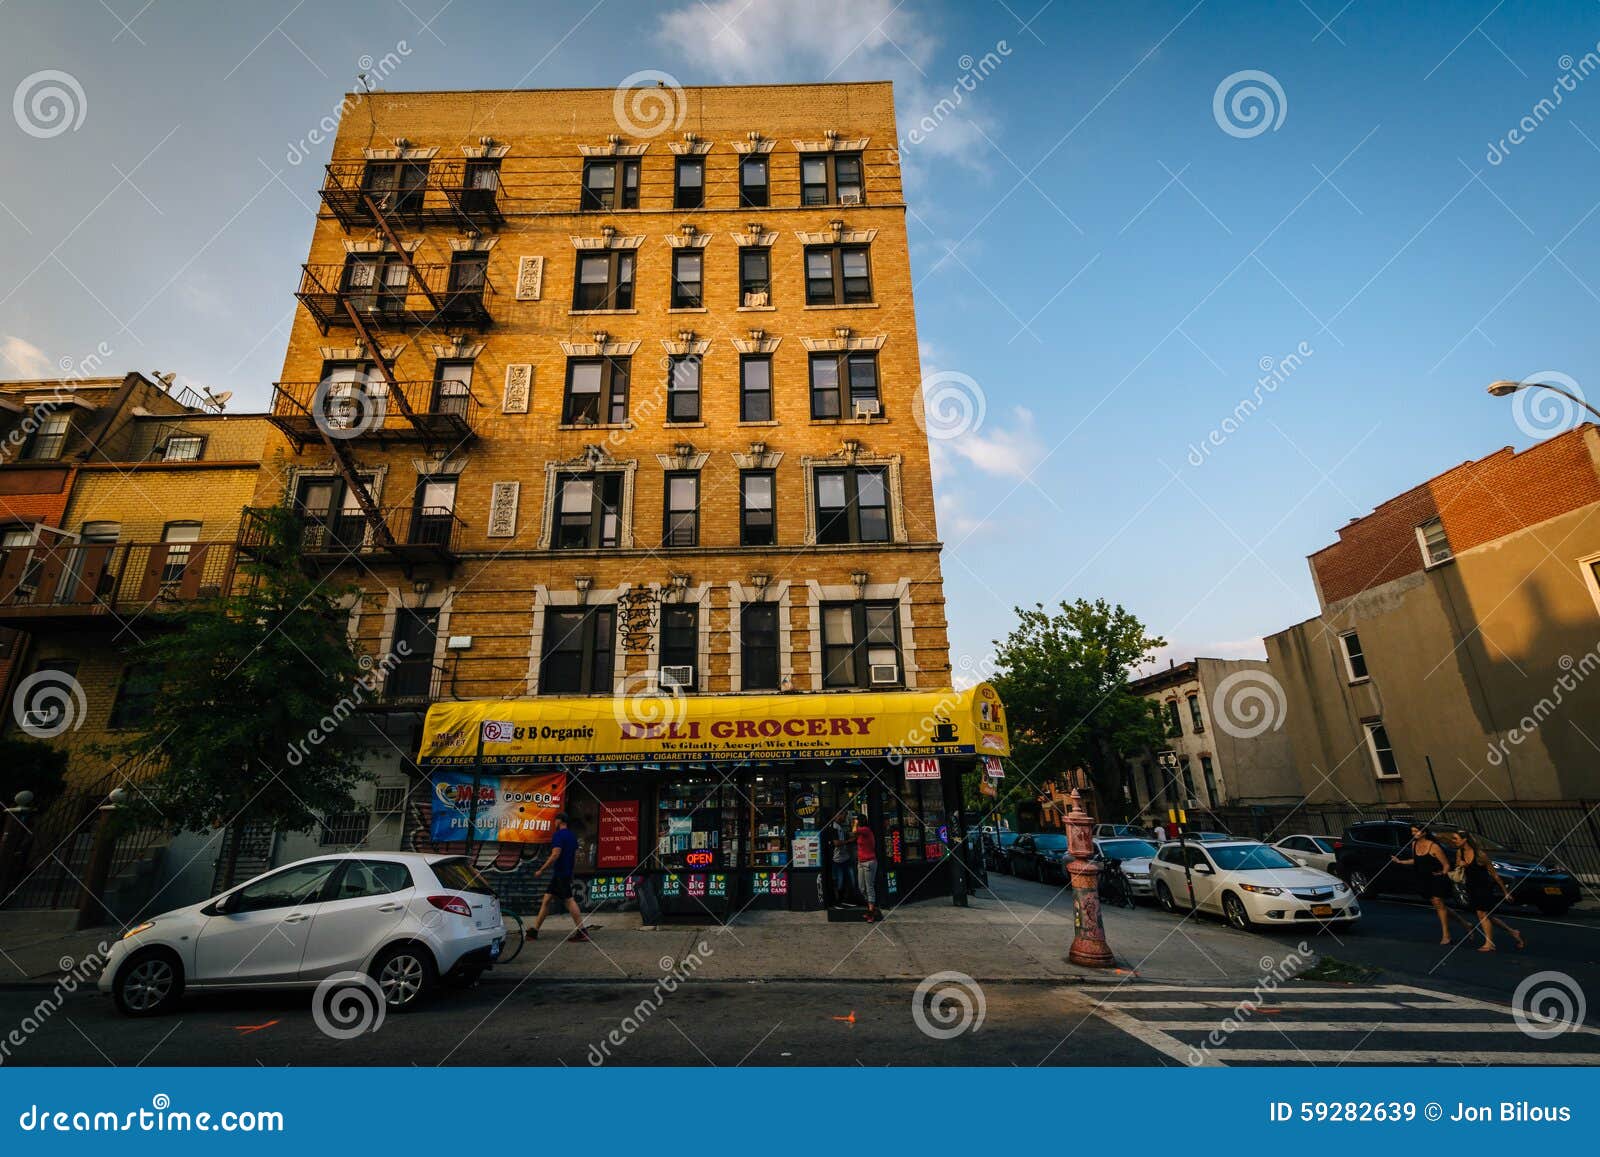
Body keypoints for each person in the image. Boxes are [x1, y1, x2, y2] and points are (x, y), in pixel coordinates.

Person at [1444, 831, 1525, 952]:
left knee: (1482, 914)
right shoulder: (1459, 852)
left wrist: (1505, 892)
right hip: (1470, 887)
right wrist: (1461, 865)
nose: (1453, 841)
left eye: (1455, 839)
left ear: (1464, 839)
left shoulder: (1480, 855)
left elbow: (1494, 875)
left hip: (1484, 887)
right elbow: (1458, 867)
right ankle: (1513, 932)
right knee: (1487, 916)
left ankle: (1489, 944)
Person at [1390, 823, 1465, 944]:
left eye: (1416, 831)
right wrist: (1400, 862)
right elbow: (1416, 860)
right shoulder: (1414, 844)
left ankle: (1446, 936)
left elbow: (1446, 864)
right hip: (1423, 879)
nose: (1413, 833)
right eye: (1412, 831)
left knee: (1438, 903)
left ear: (1424, 832)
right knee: (1439, 906)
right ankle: (1465, 923)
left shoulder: (1434, 846)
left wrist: (1443, 875)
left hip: (1436, 878)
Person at [530, 813, 588, 942]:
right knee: (547, 900)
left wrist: (541, 870)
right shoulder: (572, 836)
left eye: (555, 820)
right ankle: (534, 931)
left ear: (560, 821)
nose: (554, 823)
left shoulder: (558, 835)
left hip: (561, 873)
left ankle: (582, 931)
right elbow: (574, 856)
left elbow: (555, 854)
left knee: (569, 901)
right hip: (563, 873)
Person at [853, 814, 881, 922]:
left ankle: (871, 913)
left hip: (869, 862)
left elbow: (854, 830)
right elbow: (855, 835)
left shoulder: (865, 830)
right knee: (861, 887)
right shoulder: (862, 832)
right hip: (861, 862)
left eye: (856, 820)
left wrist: (855, 823)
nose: (855, 822)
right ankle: (871, 908)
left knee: (869, 887)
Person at [827, 812, 855, 906]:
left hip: (844, 857)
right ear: (838, 815)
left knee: (848, 881)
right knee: (840, 882)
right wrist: (849, 841)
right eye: (844, 815)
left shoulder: (839, 826)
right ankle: (838, 902)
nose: (845, 818)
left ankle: (845, 900)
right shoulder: (834, 827)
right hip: (838, 859)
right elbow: (836, 843)